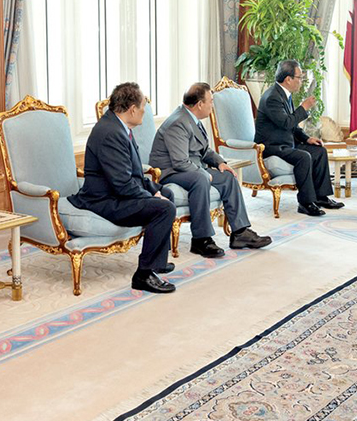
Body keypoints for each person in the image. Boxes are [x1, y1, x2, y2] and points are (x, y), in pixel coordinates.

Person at [69, 82, 177, 294]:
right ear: (132, 109)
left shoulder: (118, 126)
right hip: (105, 200)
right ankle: (144, 274)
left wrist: (154, 191)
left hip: (117, 193)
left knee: (167, 193)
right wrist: (152, 198)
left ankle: (158, 262)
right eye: (143, 108)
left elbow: (134, 173)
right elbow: (122, 184)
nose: (144, 112)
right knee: (164, 208)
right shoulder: (110, 133)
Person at [149, 82, 272, 257]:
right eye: (211, 101)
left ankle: (240, 233)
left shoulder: (192, 119)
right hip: (170, 172)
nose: (212, 105)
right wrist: (203, 173)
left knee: (228, 176)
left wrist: (220, 163)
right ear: (200, 104)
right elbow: (180, 162)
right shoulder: (178, 123)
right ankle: (201, 240)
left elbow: (204, 150)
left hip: (188, 168)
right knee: (200, 179)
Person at [255, 59, 344, 216]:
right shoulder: (272, 98)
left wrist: (307, 138)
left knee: (319, 151)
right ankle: (305, 203)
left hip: (286, 143)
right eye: (299, 77)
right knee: (304, 157)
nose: (302, 81)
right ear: (288, 79)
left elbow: (293, 126)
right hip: (272, 146)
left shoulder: (284, 94)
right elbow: (286, 123)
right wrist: (303, 107)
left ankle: (321, 197)